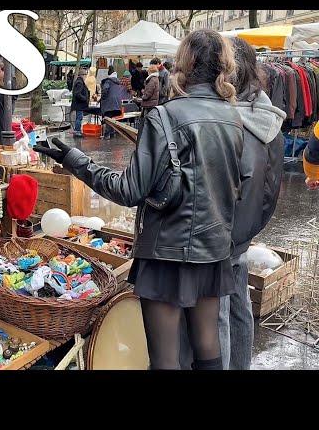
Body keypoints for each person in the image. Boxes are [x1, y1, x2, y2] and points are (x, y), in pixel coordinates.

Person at [34, 29, 244, 370]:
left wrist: (75, 160)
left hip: (167, 252)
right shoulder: (234, 118)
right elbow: (240, 188)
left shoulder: (165, 116)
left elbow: (129, 190)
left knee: (164, 360)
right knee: (209, 352)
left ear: (185, 64)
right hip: (212, 249)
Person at [178, 37, 285, 370]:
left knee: (216, 317)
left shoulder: (226, 122)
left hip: (219, 237)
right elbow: (271, 185)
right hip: (243, 233)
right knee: (238, 305)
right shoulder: (268, 117)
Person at [99, 68, 124, 139]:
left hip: (109, 102)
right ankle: (112, 133)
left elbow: (105, 90)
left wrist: (102, 97)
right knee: (112, 118)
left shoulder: (108, 81)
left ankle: (107, 135)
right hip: (117, 102)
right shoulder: (117, 82)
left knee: (108, 118)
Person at [71, 68, 90, 137]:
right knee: (79, 117)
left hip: (78, 103)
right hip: (79, 104)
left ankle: (77, 131)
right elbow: (77, 93)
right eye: (85, 75)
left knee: (79, 117)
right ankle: (77, 131)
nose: (86, 77)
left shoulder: (79, 81)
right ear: (82, 75)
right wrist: (84, 98)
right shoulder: (80, 82)